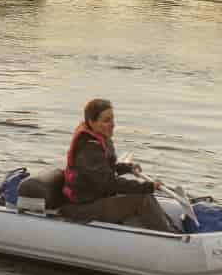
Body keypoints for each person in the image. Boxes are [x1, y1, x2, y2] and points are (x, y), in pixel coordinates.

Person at [59, 99, 179, 232]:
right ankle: (170, 237)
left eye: (112, 119)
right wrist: (148, 186)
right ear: (92, 122)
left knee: (145, 194)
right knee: (142, 198)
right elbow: (108, 183)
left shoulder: (98, 139)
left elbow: (105, 169)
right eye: (106, 120)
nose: (112, 124)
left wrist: (127, 168)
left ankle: (170, 229)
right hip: (83, 206)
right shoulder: (89, 148)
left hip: (96, 197)